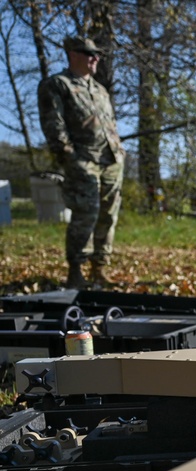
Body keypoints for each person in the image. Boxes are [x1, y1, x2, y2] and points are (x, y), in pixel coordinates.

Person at [37, 36, 125, 290]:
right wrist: (69, 157)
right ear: (73, 54)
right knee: (86, 213)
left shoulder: (100, 90)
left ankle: (100, 268)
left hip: (111, 160)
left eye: (96, 54)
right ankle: (76, 269)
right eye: (89, 53)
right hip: (83, 160)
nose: (95, 58)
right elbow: (53, 125)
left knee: (109, 215)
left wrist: (120, 151)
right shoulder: (57, 85)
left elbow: (110, 125)